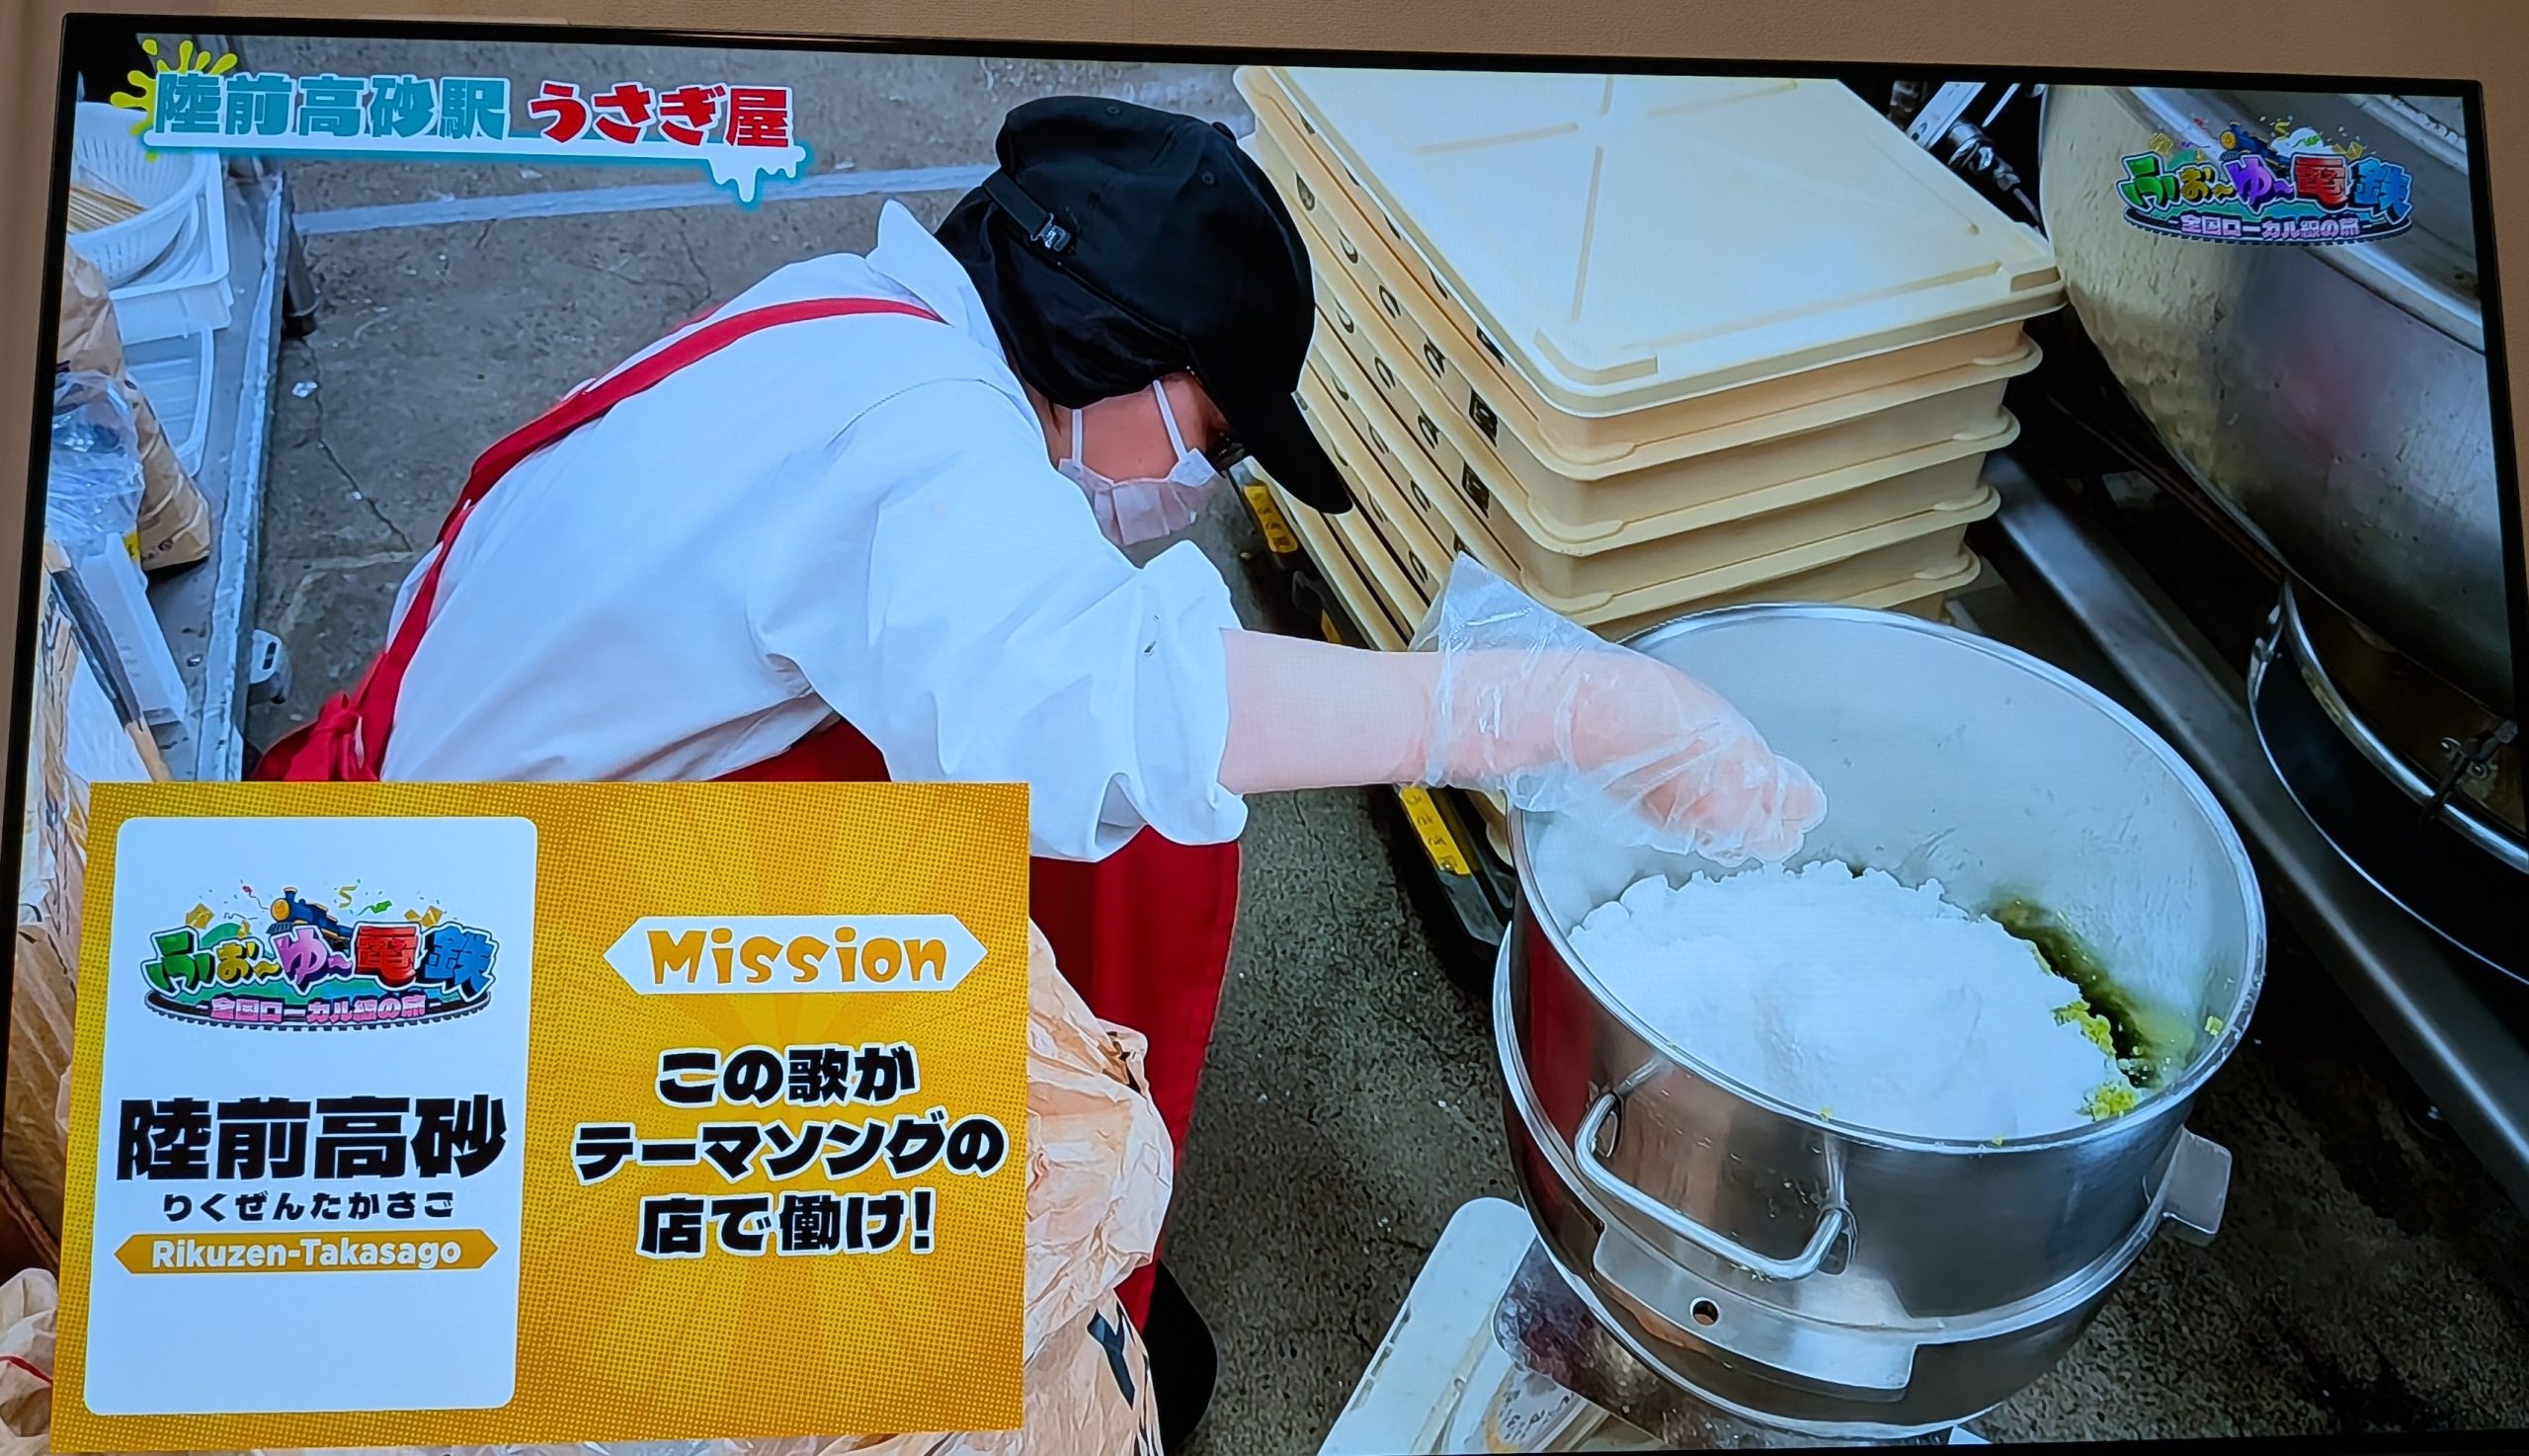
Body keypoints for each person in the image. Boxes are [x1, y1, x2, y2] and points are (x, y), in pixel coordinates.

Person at [252, 97, 1824, 1346]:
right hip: (454, 967)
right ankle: (991, 1280)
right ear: (1111, 343)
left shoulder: (861, 317)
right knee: (1144, 834)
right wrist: (1541, 707)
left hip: (482, 802)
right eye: (1211, 437)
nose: (1200, 490)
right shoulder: (924, 442)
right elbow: (1120, 713)